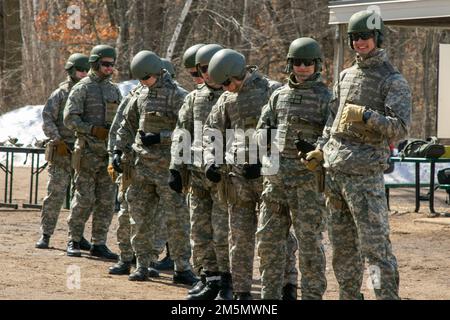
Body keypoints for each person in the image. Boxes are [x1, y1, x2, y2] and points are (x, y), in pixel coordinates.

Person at [304, 10, 411, 300]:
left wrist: (366, 116)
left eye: (365, 36)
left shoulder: (392, 79)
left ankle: (385, 296)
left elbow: (399, 128)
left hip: (364, 176)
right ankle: (349, 296)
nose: (360, 42)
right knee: (342, 247)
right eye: (354, 37)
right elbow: (332, 120)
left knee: (375, 249)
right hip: (336, 173)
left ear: (377, 38)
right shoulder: (346, 75)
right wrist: (320, 148)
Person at [203, 49, 298, 300]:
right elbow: (210, 132)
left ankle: (287, 285)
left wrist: (264, 160)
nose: (226, 88)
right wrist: (211, 162)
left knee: (278, 235)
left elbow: (286, 131)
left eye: (227, 82)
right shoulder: (225, 100)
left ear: (237, 73)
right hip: (238, 179)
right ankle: (241, 292)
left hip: (271, 178)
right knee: (240, 238)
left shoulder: (273, 91)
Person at [256, 37, 330, 300]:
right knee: (268, 244)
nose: (302, 68)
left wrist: (315, 147)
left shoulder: (325, 98)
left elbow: (332, 136)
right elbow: (261, 129)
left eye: (307, 63)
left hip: (307, 185)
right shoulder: (278, 95)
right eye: (297, 62)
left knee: (310, 247)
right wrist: (265, 139)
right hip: (275, 183)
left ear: (316, 65)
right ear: (290, 64)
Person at [115, 50, 197, 284]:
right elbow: (127, 125)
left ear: (158, 73)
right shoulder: (140, 96)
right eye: (140, 79)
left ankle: (182, 268)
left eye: (146, 78)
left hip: (169, 170)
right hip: (141, 169)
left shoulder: (179, 96)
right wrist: (118, 151)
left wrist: (160, 137)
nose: (143, 83)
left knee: (177, 221)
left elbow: (189, 132)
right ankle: (142, 264)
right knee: (140, 220)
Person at [170, 44, 232, 300]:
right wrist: (176, 166)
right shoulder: (194, 98)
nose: (205, 74)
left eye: (209, 68)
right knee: (200, 230)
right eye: (201, 70)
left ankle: (227, 282)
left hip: (224, 178)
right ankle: (209, 278)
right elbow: (182, 132)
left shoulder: (233, 96)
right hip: (197, 177)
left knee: (222, 232)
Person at [63, 44, 122, 260]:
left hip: (106, 155)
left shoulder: (114, 90)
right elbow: (69, 119)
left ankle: (99, 243)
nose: (109, 68)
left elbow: (121, 121)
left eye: (112, 65)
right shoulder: (82, 88)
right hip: (87, 154)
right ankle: (74, 239)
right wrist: (92, 130)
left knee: (106, 202)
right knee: (83, 199)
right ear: (95, 63)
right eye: (106, 64)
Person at [36, 53, 91, 250]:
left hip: (83, 151)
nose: (83, 73)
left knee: (82, 197)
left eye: (86, 70)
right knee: (55, 194)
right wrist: (56, 139)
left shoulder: (88, 92)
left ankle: (76, 236)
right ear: (71, 70)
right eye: (80, 70)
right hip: (61, 151)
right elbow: (47, 118)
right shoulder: (60, 94)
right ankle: (46, 234)